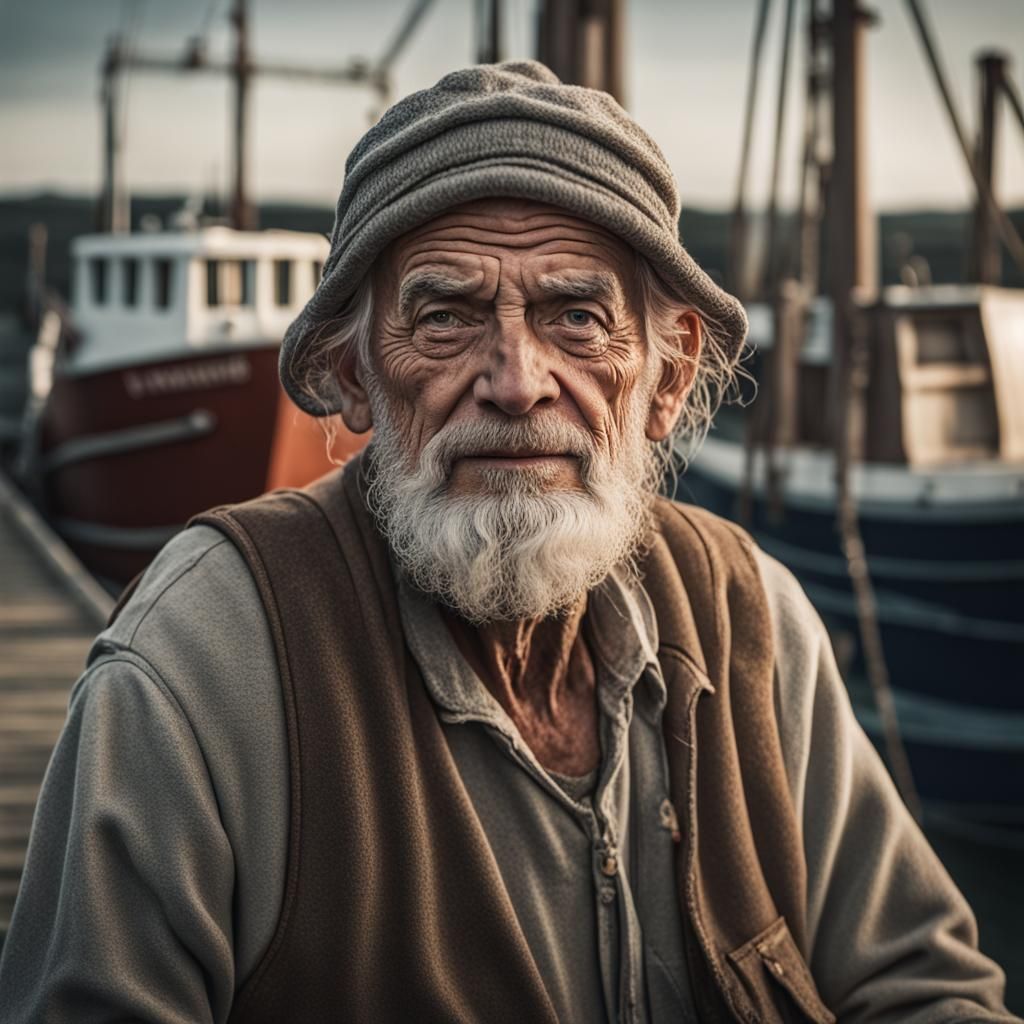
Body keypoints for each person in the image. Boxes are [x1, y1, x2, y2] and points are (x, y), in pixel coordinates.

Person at [0, 62, 1017, 1024]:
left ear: (663, 381)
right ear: (353, 375)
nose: (517, 380)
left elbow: (925, 985)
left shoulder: (749, 616)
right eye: (444, 316)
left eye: (578, 317)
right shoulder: (207, 655)